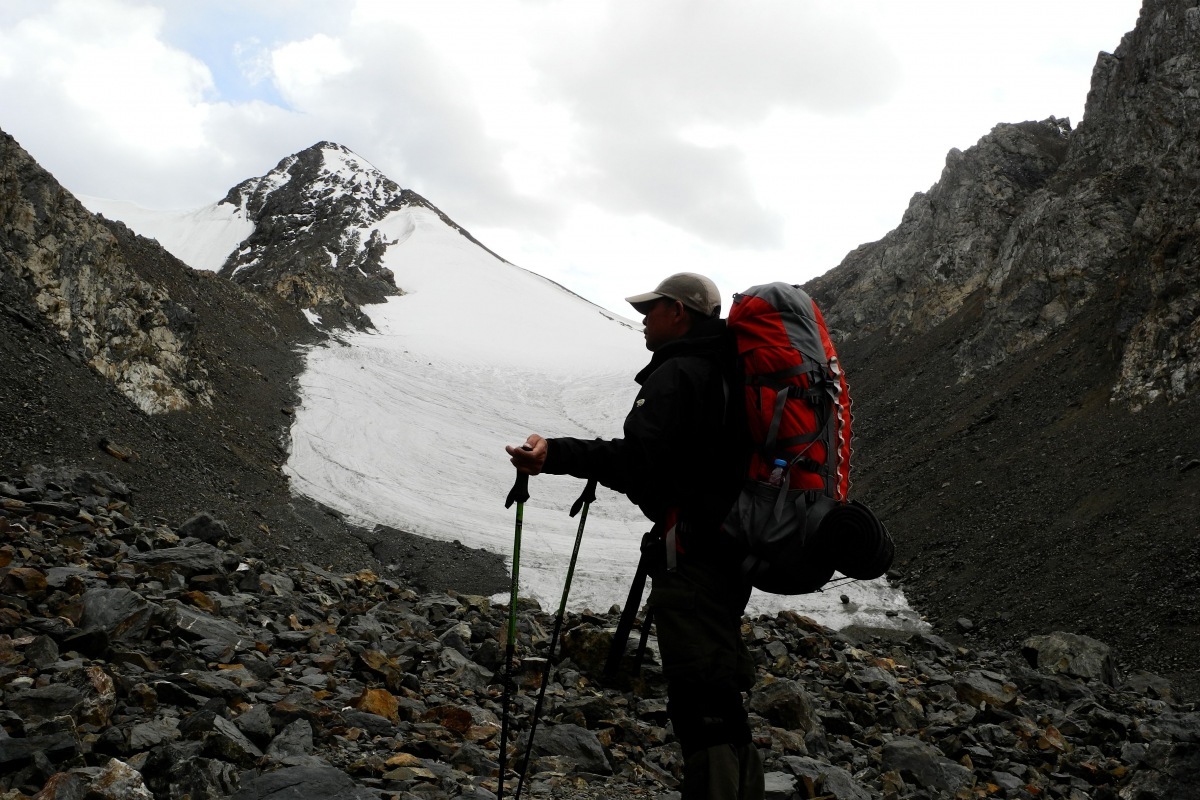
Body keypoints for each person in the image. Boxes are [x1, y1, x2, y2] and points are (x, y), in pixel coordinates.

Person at [506, 272, 765, 800]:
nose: (643, 318)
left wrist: (556, 454)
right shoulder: (729, 371)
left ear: (680, 312)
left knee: (698, 697)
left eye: (654, 308)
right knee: (719, 687)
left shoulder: (680, 373)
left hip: (692, 551)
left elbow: (639, 462)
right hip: (732, 548)